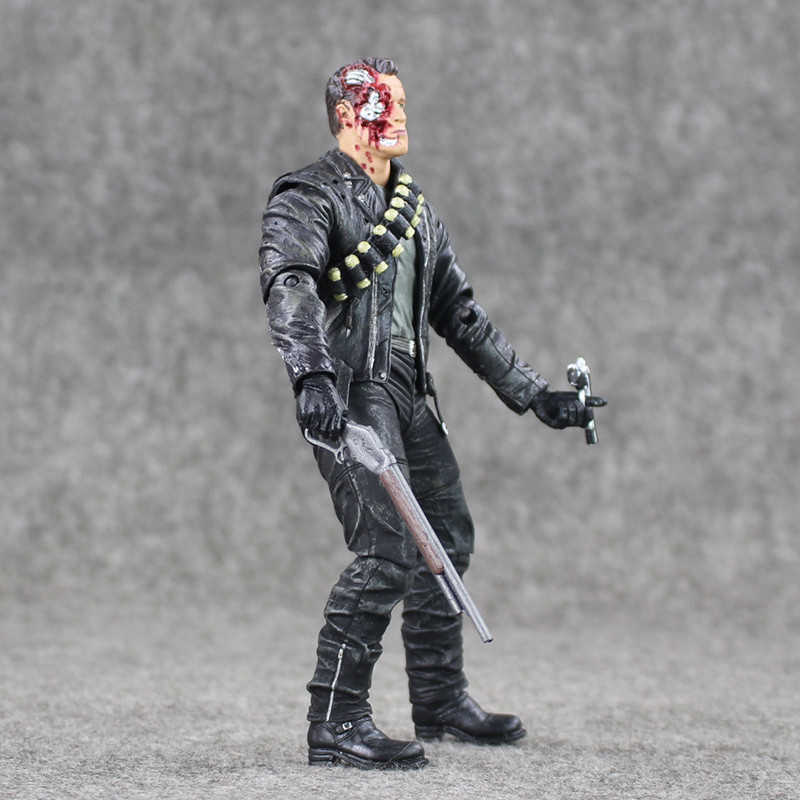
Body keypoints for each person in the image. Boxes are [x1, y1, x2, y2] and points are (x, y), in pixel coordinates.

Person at [259, 58, 605, 770]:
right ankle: (335, 719)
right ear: (347, 116)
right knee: (386, 549)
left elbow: (460, 315)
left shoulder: (413, 209)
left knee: (446, 537)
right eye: (384, 104)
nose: (401, 115)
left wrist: (533, 394)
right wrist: (312, 376)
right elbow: (290, 281)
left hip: (410, 394)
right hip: (353, 395)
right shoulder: (309, 196)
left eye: (402, 102)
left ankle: (440, 700)